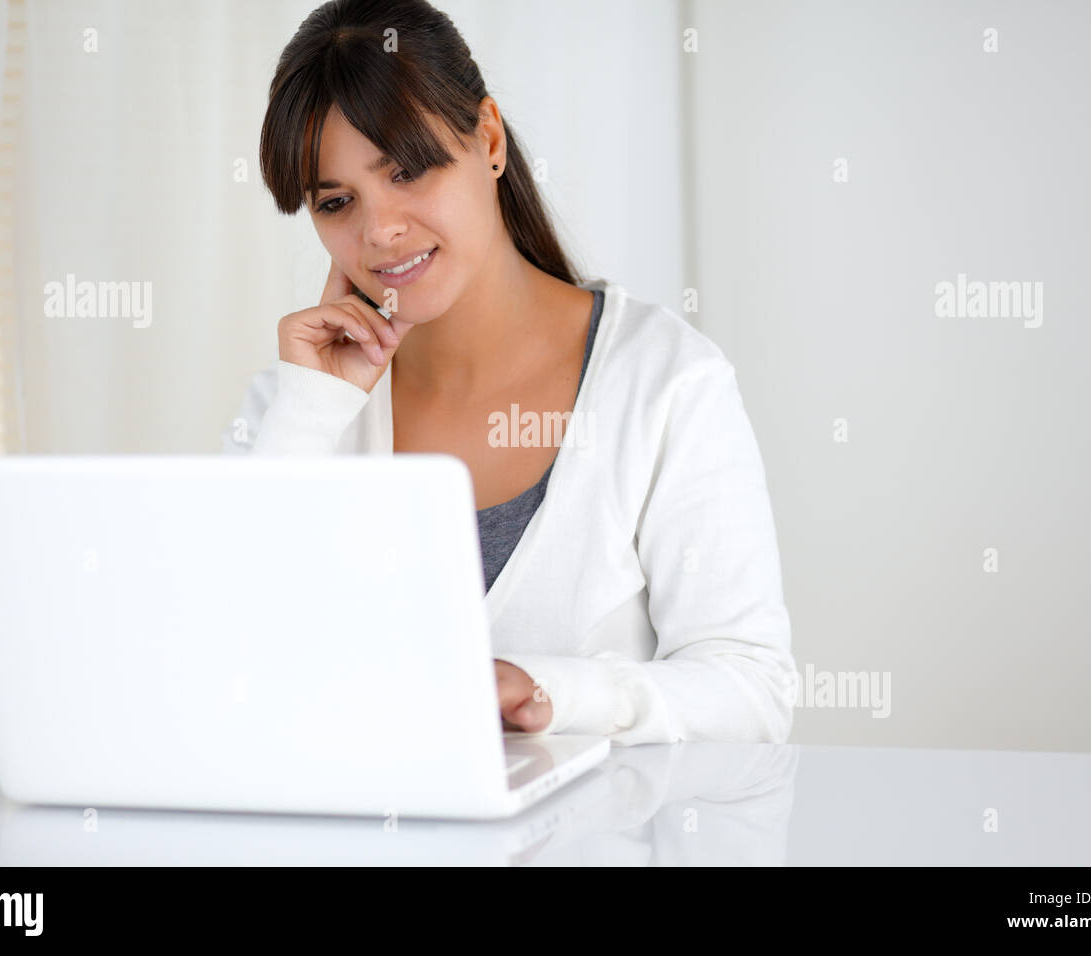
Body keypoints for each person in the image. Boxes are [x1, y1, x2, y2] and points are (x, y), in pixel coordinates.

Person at [222, 0, 795, 745]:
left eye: (407, 170)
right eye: (337, 202)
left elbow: (754, 693)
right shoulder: (296, 406)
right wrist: (307, 417)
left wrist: (552, 692)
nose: (379, 231)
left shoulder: (666, 382)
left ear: (487, 137)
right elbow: (224, 673)